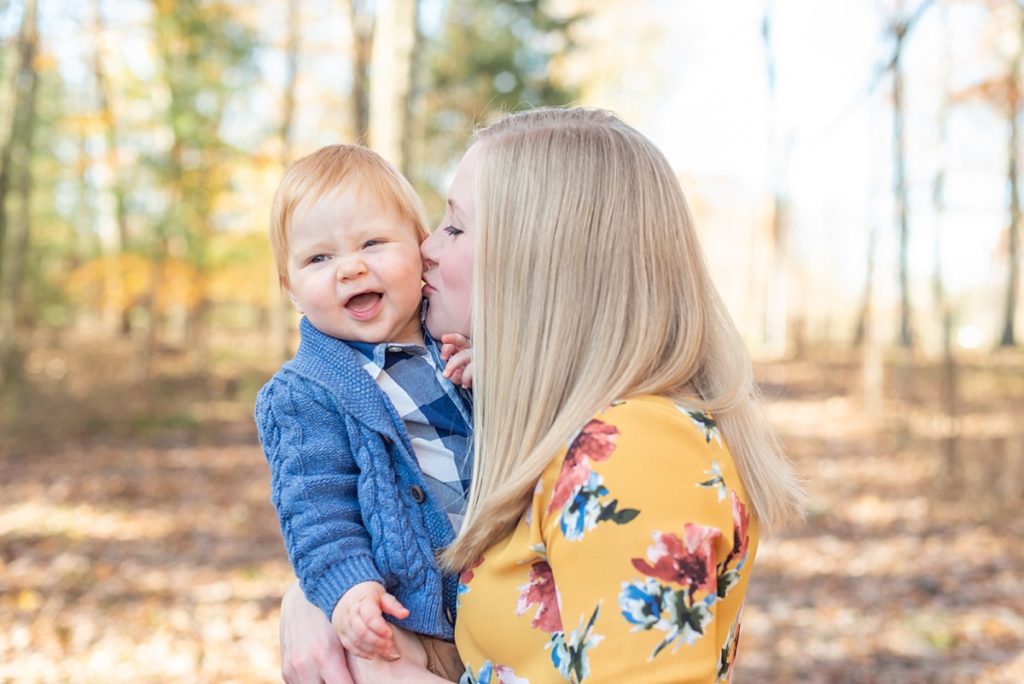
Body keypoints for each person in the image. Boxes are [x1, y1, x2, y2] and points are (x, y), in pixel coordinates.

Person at [280, 107, 805, 683]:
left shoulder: (638, 451)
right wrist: (312, 597)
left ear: (536, 260)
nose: (425, 246)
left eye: (453, 226)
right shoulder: (562, 430)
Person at [255, 144, 471, 683]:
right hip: (409, 615)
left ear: (421, 250)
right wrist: (350, 588)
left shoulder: (462, 336)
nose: (351, 267)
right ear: (292, 289)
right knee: (371, 661)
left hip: (505, 599)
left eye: (373, 243)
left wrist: (487, 366)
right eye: (318, 258)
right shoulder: (302, 395)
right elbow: (315, 512)